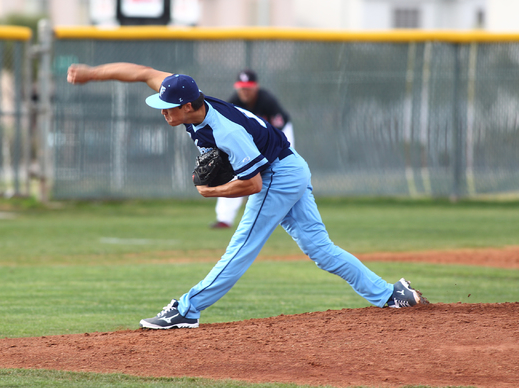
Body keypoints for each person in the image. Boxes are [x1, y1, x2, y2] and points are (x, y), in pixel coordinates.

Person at [66, 62, 428, 330]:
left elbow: (253, 184)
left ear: (189, 106)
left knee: (240, 247)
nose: (164, 113)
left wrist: (214, 191)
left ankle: (187, 310)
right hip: (291, 166)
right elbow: (142, 72)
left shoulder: (226, 133)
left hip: (278, 175)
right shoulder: (188, 101)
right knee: (320, 249)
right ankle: (391, 294)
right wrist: (91, 74)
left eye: (169, 109)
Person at [212, 69, 294, 229]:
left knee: (285, 171)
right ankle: (224, 219)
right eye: (242, 87)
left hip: (279, 134)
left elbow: (279, 131)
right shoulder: (233, 103)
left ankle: (287, 214)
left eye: (248, 87)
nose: (245, 91)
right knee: (233, 172)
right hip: (251, 140)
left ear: (255, 87)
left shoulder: (267, 101)